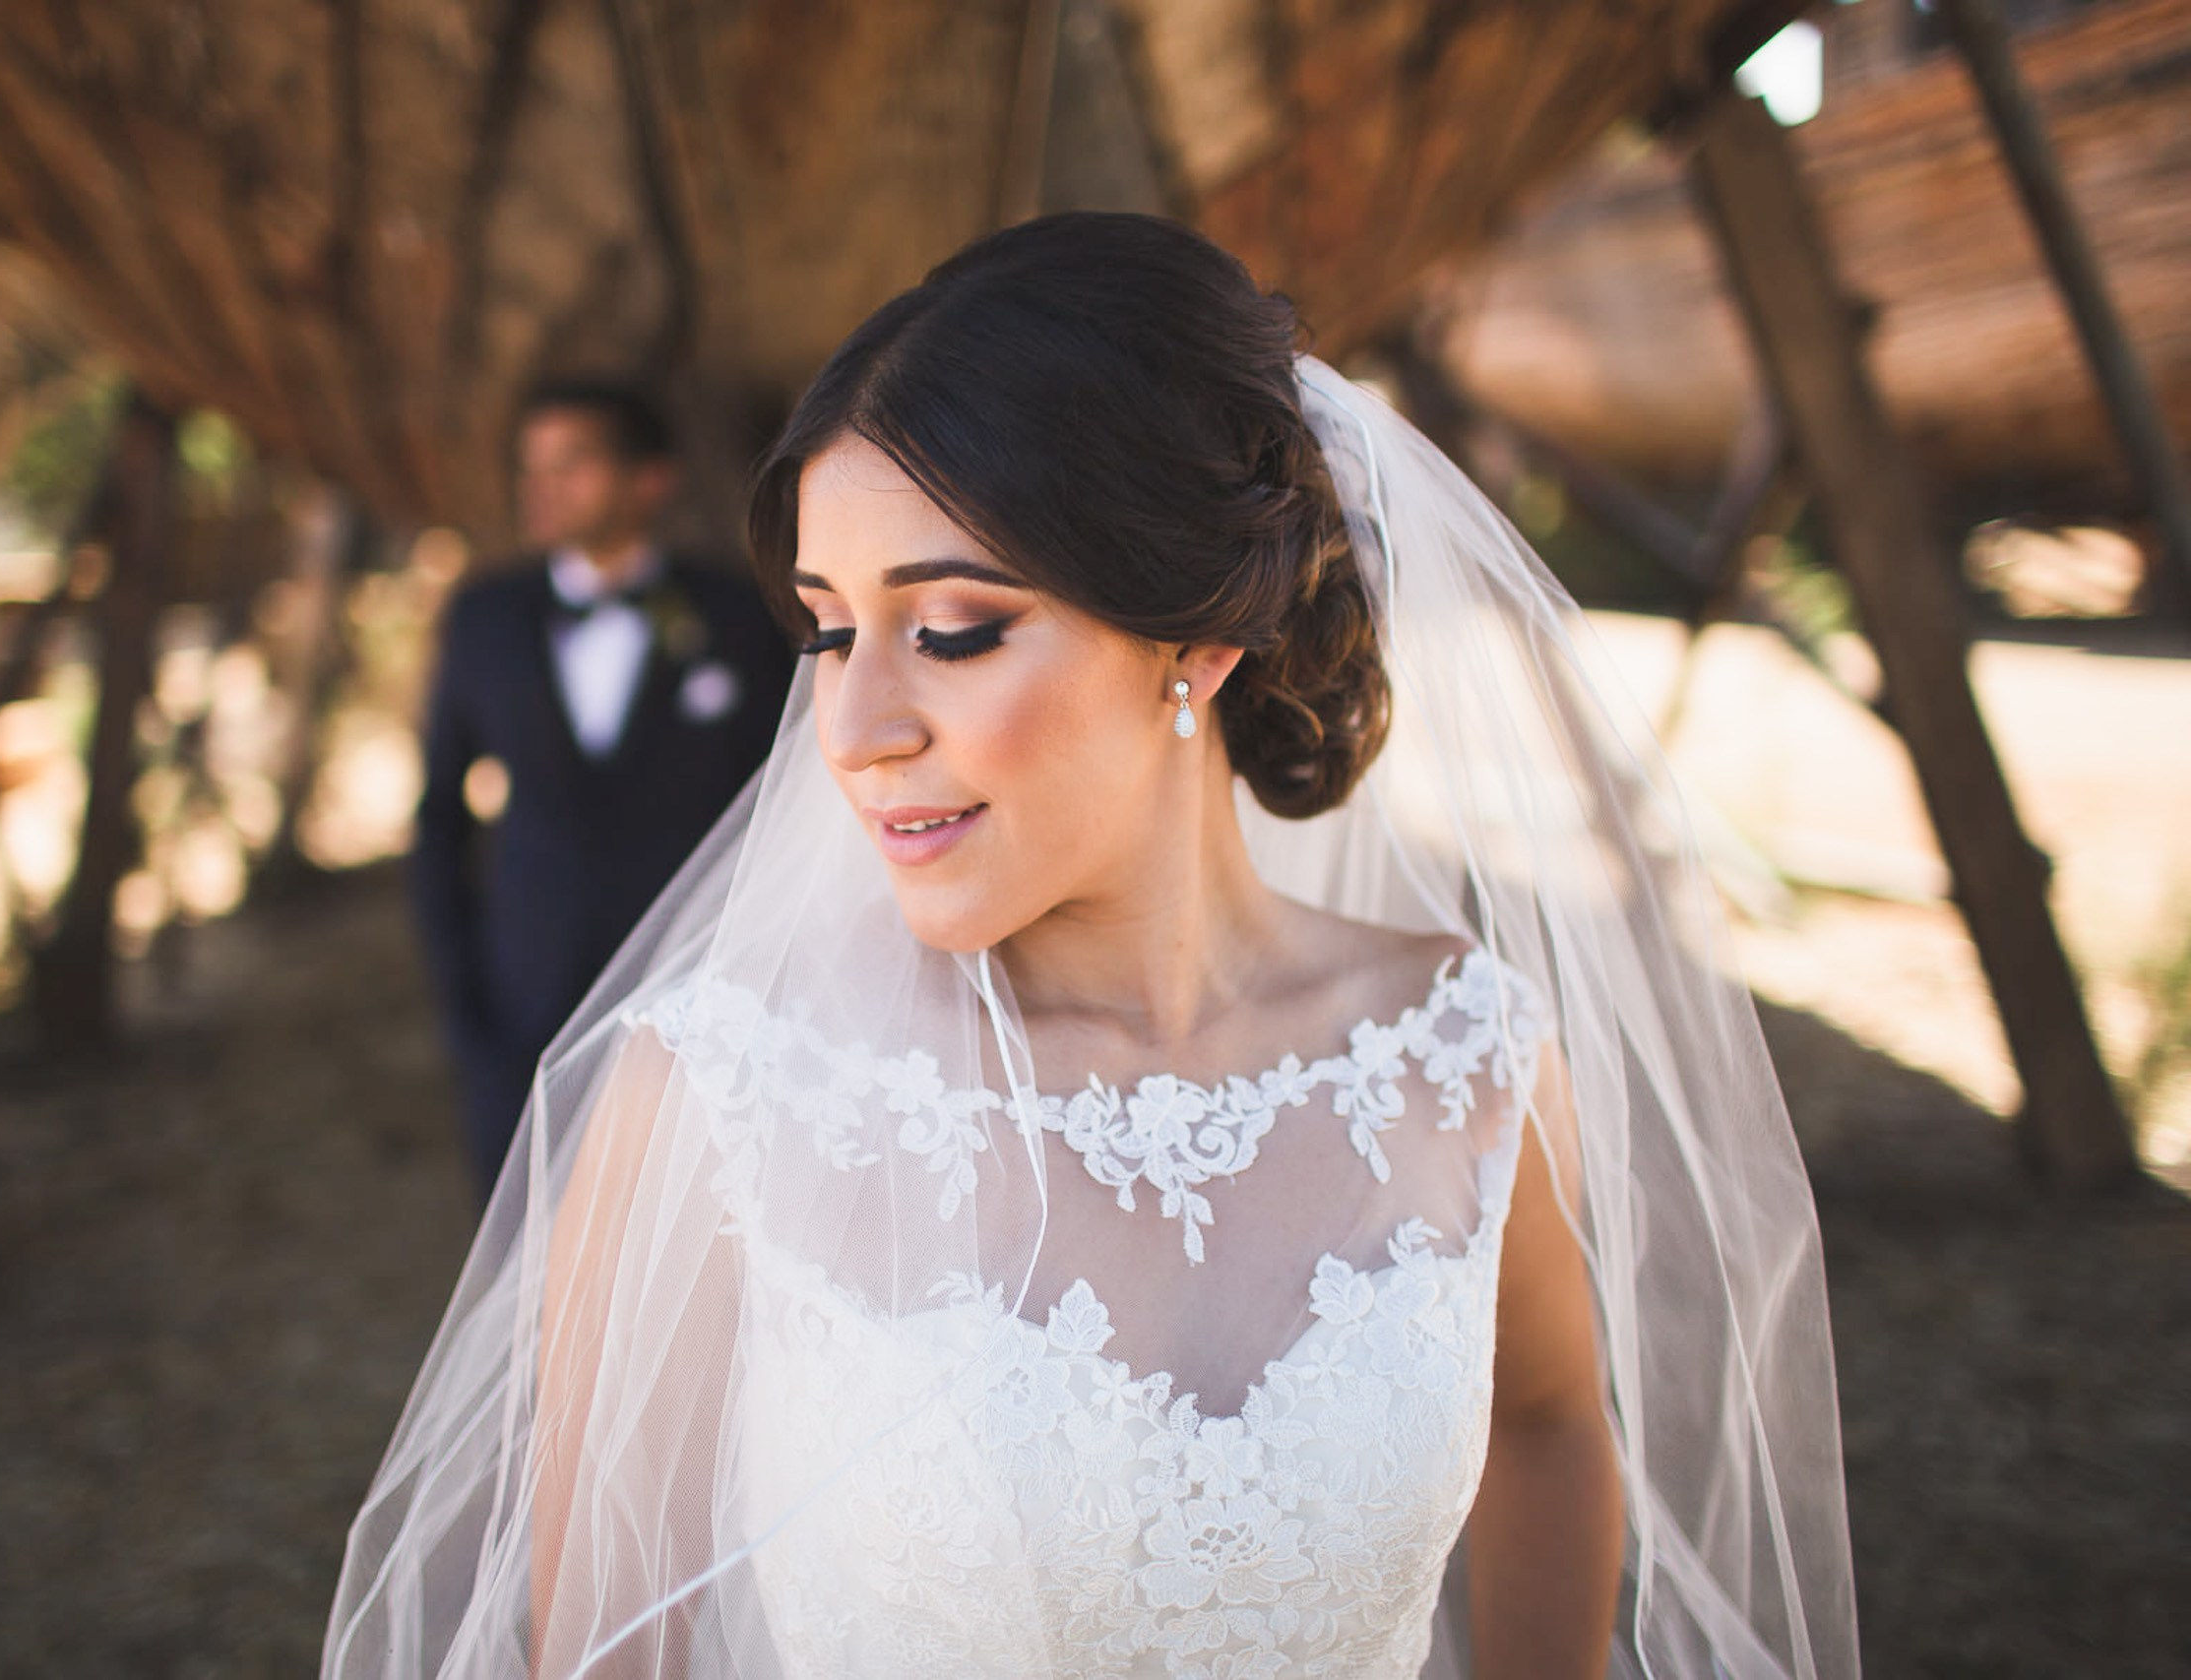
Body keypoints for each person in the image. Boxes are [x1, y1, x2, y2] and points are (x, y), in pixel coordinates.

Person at [334, 217, 1859, 1678]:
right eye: (826, 631)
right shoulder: (719, 1095)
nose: (852, 732)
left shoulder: (1460, 1050)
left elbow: (1547, 1422)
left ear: (1199, 633)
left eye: (951, 628)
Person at [409, 382, 793, 1195]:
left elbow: (782, 804)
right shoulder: (487, 617)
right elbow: (439, 814)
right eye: (531, 467)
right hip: (521, 1005)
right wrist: (463, 997)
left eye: (571, 463)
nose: (539, 488)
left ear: (649, 480)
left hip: (696, 991)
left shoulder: (735, 612)